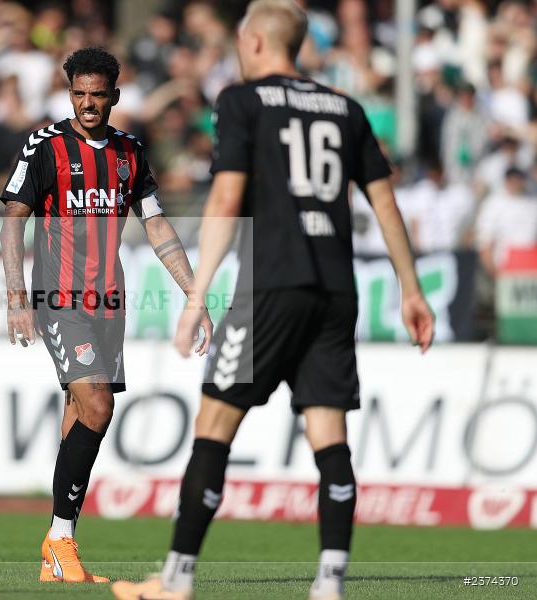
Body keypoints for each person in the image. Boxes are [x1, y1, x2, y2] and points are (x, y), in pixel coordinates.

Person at [112, 2, 435, 600]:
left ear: (256, 41)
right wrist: (412, 290)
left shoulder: (242, 101)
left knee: (213, 427)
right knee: (330, 438)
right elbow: (385, 204)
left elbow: (225, 198)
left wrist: (196, 292)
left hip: (270, 283)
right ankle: (330, 584)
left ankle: (176, 581)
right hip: (337, 290)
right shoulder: (347, 108)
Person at [1, 47, 213, 585]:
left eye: (98, 95)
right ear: (68, 92)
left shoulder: (129, 152)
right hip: (59, 298)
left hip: (108, 301)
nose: (89, 104)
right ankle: (58, 539)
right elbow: (13, 222)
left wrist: (194, 293)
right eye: (79, 94)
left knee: (81, 408)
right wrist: (16, 296)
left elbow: (158, 226)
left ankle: (59, 548)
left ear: (115, 95)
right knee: (96, 407)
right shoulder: (45, 146)